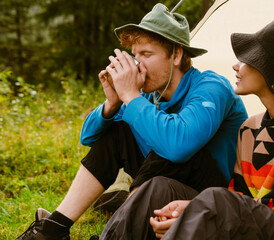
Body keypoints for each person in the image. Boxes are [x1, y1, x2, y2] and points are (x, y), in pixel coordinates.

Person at [16, 3, 247, 240]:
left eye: (146, 55)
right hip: (168, 185)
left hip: (213, 194)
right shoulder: (150, 94)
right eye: (135, 56)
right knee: (120, 131)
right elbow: (89, 137)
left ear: (176, 54)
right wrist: (113, 103)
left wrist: (131, 96)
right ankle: (55, 227)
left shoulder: (211, 86)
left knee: (164, 139)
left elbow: (180, 146)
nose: (138, 65)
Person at [97, 17, 274, 239]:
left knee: (215, 199)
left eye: (248, 59)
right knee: (157, 187)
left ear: (271, 70)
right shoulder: (250, 127)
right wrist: (190, 207)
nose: (236, 65)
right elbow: (238, 196)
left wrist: (199, 209)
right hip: (244, 217)